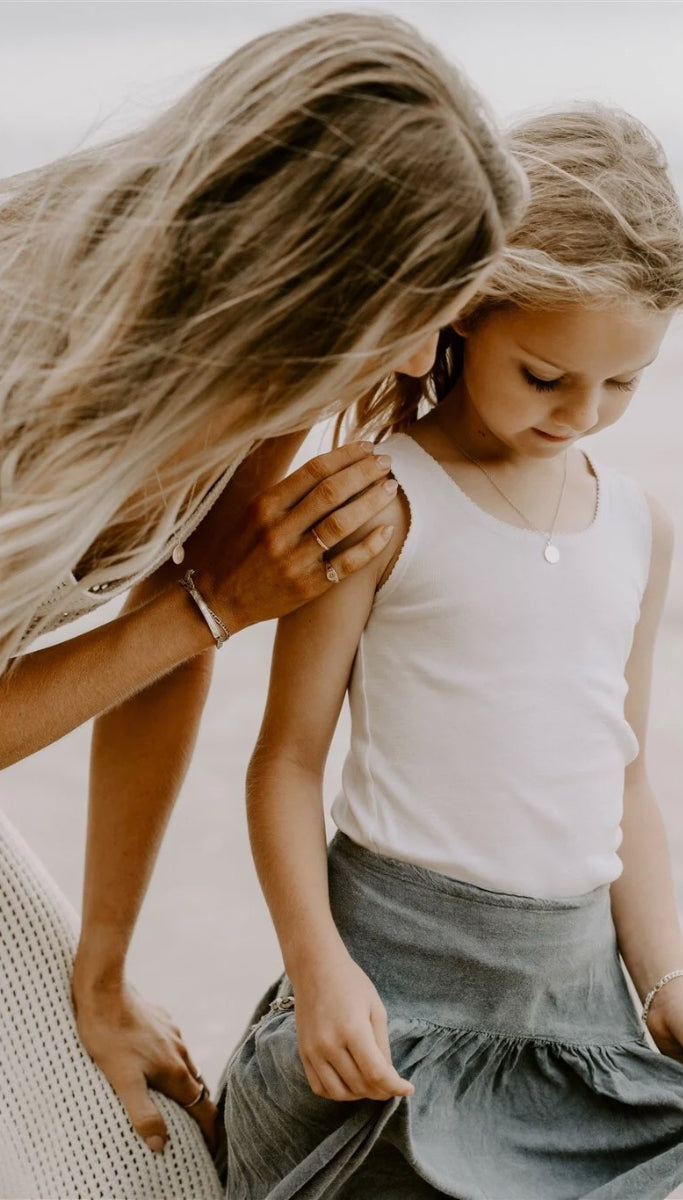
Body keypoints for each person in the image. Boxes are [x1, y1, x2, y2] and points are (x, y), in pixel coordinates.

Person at [0, 11, 526, 1197]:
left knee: (144, 1165)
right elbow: (191, 610)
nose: (418, 359)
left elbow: (181, 601)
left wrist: (105, 966)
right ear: (310, 276)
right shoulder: (22, 350)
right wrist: (206, 611)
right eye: (417, 315)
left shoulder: (258, 374)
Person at [220, 104, 683, 1200]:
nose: (581, 412)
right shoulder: (379, 501)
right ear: (464, 315)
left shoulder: (635, 526)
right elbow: (284, 764)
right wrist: (320, 971)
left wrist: (667, 981)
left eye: (620, 384)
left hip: (574, 1013)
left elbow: (624, 778)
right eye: (544, 375)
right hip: (390, 998)